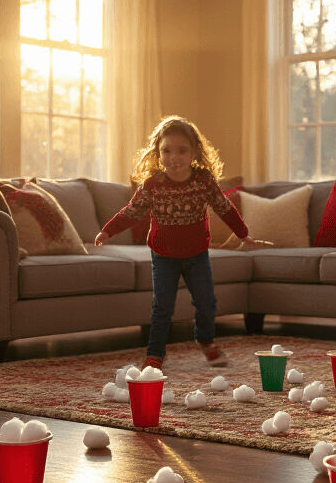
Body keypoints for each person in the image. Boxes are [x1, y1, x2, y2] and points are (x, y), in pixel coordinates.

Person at [96, 117, 253, 371]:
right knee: (162, 308)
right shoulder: (153, 185)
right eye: (167, 151)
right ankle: (155, 355)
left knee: (206, 302)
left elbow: (223, 207)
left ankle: (205, 340)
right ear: (158, 153)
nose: (174, 158)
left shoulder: (203, 180)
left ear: (194, 153)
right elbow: (132, 211)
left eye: (182, 150)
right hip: (163, 256)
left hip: (197, 255)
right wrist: (107, 231)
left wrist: (243, 232)